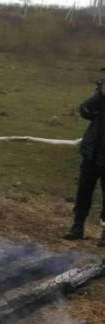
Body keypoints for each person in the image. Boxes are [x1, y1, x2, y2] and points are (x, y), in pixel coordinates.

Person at [63, 77, 105, 245]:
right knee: (83, 190)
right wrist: (101, 94)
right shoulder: (101, 93)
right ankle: (77, 226)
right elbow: (85, 111)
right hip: (92, 151)